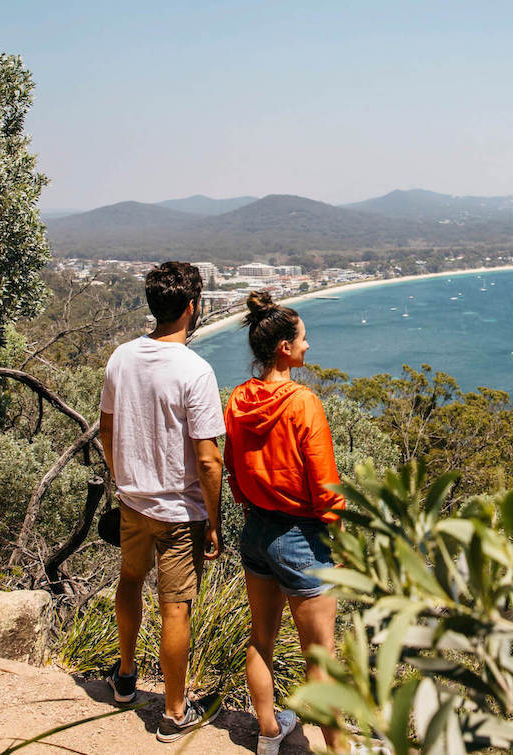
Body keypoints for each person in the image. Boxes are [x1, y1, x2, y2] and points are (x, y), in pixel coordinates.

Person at [98, 261, 225, 742]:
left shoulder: (122, 357)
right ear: (193, 308)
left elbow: (108, 430)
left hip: (133, 503)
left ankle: (126, 677)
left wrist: (124, 478)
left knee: (130, 581)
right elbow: (209, 459)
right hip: (179, 511)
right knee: (176, 608)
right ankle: (175, 713)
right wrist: (213, 523)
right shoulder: (196, 370)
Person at [223, 291, 344, 754]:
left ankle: (269, 733)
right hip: (301, 537)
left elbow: (232, 464)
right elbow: (325, 483)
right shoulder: (302, 403)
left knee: (261, 639)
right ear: (284, 349)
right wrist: (336, 530)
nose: (308, 347)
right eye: (303, 339)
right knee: (322, 659)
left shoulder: (238, 399)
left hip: (256, 532)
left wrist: (248, 504)